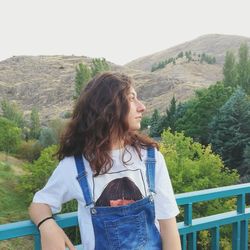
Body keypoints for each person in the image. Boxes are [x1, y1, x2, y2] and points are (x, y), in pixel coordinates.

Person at [29, 72, 181, 250]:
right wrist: (47, 225)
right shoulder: (76, 165)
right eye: (132, 99)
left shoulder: (150, 158)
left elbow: (168, 226)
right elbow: (40, 203)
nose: (142, 107)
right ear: (108, 106)